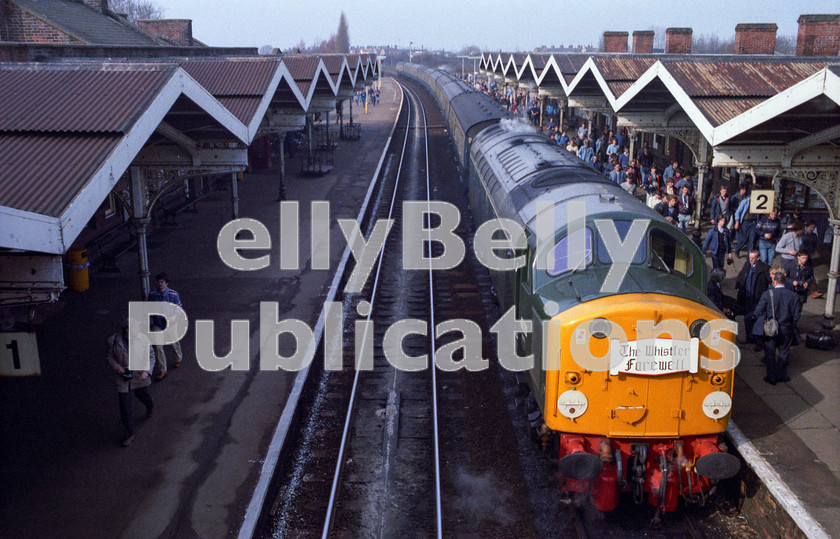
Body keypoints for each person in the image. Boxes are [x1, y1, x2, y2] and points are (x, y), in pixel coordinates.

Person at [106, 319, 155, 447]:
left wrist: (147, 371)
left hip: (138, 376)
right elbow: (110, 356)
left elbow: (151, 356)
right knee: (125, 407)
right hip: (123, 378)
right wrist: (116, 366)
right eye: (135, 328)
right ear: (127, 329)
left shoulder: (143, 339)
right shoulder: (114, 340)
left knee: (142, 395)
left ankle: (150, 405)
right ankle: (128, 434)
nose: (138, 330)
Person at [752, 268, 801, 385]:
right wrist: (792, 324)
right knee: (784, 352)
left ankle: (771, 376)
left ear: (775, 282)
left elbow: (758, 311)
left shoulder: (768, 294)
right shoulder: (794, 296)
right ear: (784, 281)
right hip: (787, 327)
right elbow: (797, 315)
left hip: (771, 328)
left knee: (770, 352)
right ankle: (781, 375)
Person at [147, 272, 184, 379]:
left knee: (173, 342)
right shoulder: (153, 294)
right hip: (157, 323)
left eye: (162, 282)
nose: (160, 284)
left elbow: (179, 307)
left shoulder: (173, 294)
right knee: (158, 347)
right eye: (158, 282)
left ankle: (178, 358)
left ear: (167, 283)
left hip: (170, 323)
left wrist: (174, 317)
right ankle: (163, 369)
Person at [735, 250, 770, 348]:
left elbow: (770, 280)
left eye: (753, 258)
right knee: (747, 319)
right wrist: (738, 284)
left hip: (758, 299)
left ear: (758, 258)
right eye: (749, 257)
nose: (751, 260)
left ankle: (758, 342)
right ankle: (749, 338)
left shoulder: (764, 268)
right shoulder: (747, 265)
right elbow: (742, 275)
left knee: (758, 320)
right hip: (747, 297)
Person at [733, 185, 758, 255]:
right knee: (744, 239)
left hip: (753, 222)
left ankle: (749, 257)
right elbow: (738, 212)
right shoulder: (745, 201)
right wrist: (737, 221)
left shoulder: (757, 203)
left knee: (752, 240)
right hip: (745, 222)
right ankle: (737, 249)